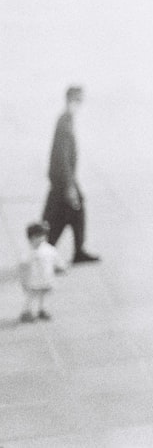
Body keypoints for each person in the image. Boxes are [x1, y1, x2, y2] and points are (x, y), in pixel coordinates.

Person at [43, 85, 100, 263]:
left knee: (68, 213)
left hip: (62, 178)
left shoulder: (67, 119)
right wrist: (69, 185)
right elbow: (62, 156)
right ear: (70, 100)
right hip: (63, 179)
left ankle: (75, 251)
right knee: (61, 215)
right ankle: (50, 252)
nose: (80, 104)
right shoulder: (65, 122)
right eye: (78, 100)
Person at [19, 222, 67, 323]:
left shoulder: (49, 249)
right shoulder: (28, 253)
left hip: (46, 278)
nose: (41, 239)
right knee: (31, 296)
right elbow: (23, 267)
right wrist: (24, 281)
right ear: (31, 238)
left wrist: (61, 266)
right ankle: (26, 312)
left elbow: (56, 258)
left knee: (43, 295)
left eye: (43, 236)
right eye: (38, 237)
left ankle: (42, 309)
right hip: (33, 280)